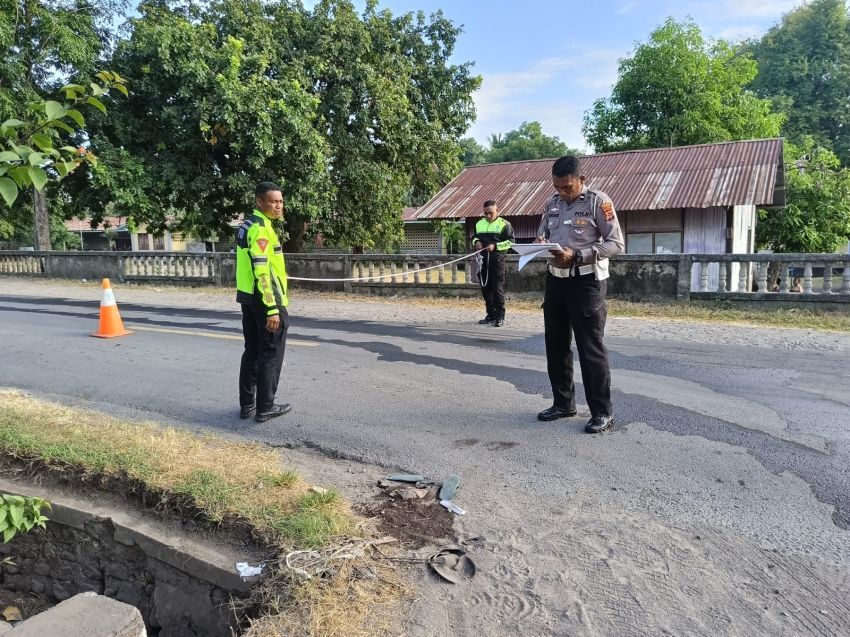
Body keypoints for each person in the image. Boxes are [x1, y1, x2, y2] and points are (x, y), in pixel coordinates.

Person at [535, 156, 624, 434]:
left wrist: (578, 255)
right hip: (556, 282)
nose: (562, 192)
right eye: (558, 187)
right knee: (556, 346)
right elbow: (543, 235)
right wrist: (540, 244)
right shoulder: (551, 204)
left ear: (581, 180)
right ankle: (563, 404)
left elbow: (616, 243)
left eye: (567, 187)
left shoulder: (598, 202)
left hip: (586, 284)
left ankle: (602, 412)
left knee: (590, 349)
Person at [235, 181, 292, 422]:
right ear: (260, 201)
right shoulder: (261, 230)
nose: (279, 206)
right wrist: (272, 309)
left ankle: (247, 405)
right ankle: (265, 407)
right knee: (270, 353)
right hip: (265, 300)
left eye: (280, 201)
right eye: (273, 201)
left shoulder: (247, 225)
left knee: (252, 351)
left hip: (248, 298)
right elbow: (262, 272)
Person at [472, 200, 514, 327]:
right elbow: (474, 237)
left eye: (490, 213)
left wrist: (495, 246)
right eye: (486, 213)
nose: (488, 216)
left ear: (497, 210)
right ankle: (491, 314)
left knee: (497, 288)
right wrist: (476, 242)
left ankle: (500, 316)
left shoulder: (504, 224)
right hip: (483, 260)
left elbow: (510, 242)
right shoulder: (479, 223)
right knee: (485, 288)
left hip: (497, 260)